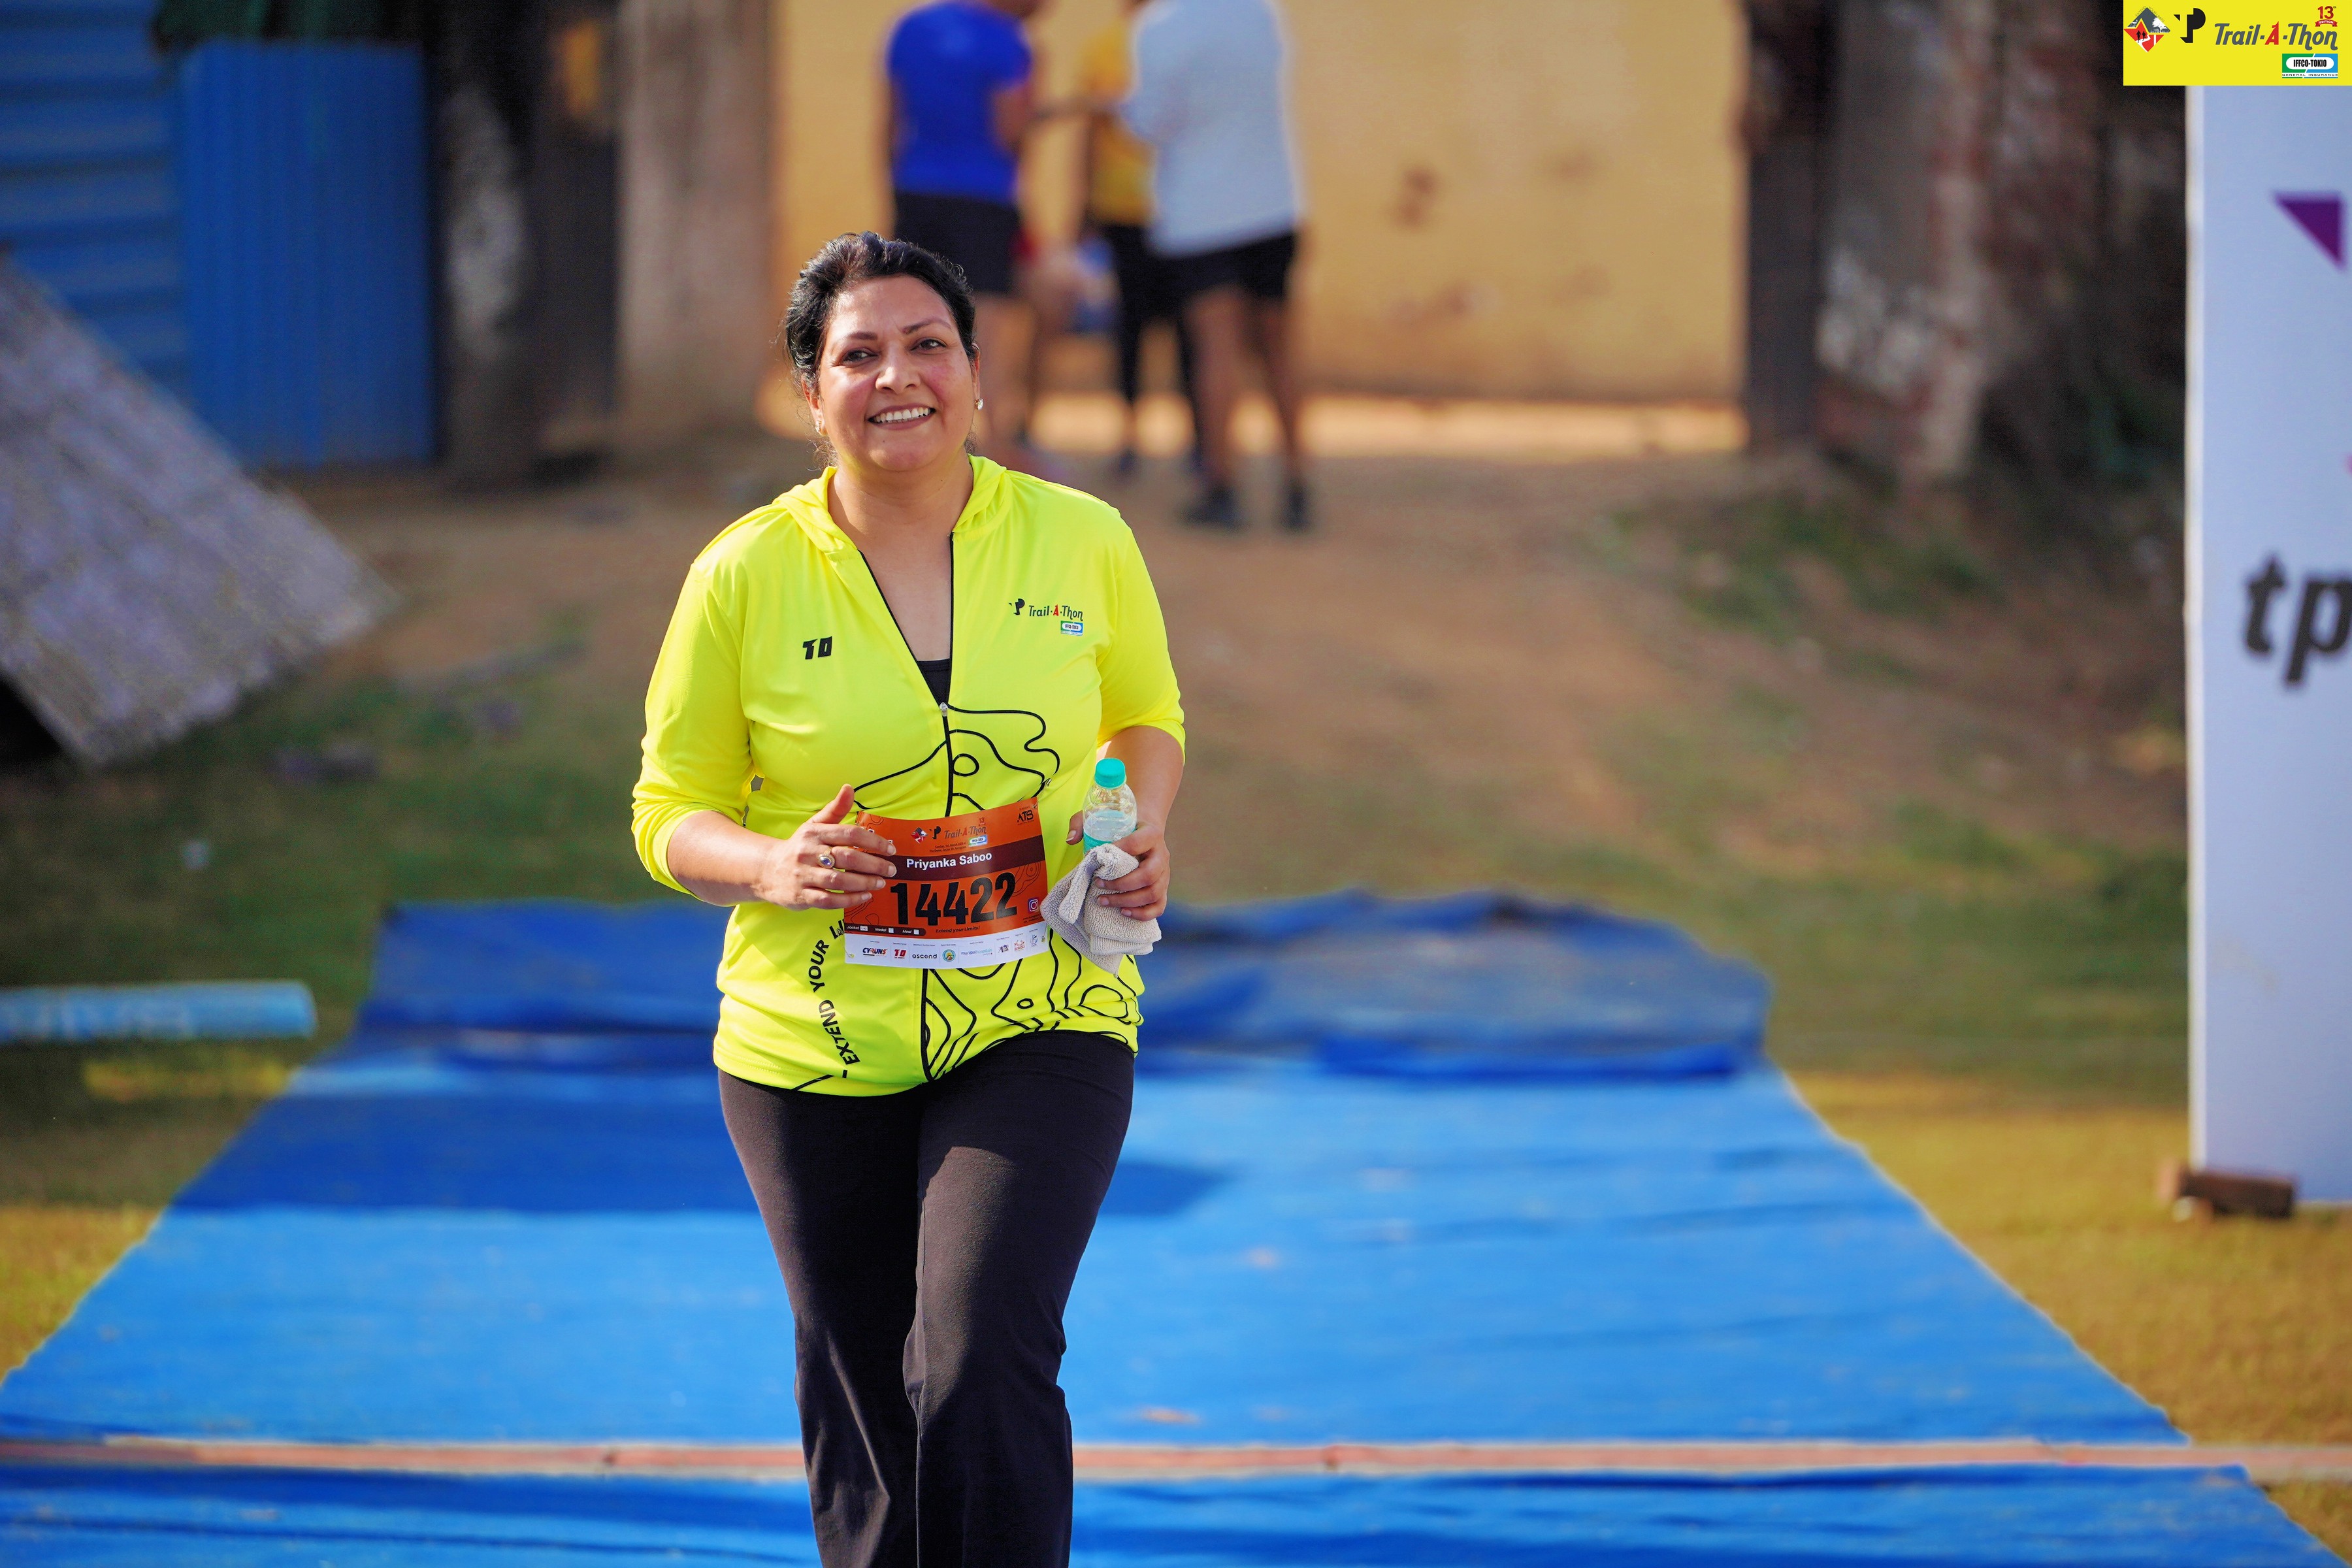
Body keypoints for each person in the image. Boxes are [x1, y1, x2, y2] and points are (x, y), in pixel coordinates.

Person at [632, 233, 1186, 1568]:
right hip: (813, 1044)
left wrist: (1140, 820)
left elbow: (1144, 716)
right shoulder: (740, 577)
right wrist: (770, 865)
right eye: (859, 355)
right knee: (866, 1393)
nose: (898, 377)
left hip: (1046, 1006)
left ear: (977, 373)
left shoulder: (1083, 538)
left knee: (981, 1347)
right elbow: (668, 814)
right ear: (811, 394)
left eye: (928, 345)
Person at [1124, 0, 1309, 531]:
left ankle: (1222, 486)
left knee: (1216, 351)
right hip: (1274, 206)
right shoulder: (1260, 12)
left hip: (1202, 216)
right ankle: (1298, 485)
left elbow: (1152, 122)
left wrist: (1119, 110)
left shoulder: (1159, 27)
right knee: (1279, 349)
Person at [884, 0, 1060, 468]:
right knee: (990, 330)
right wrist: (1039, 108)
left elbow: (890, 124)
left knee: (917, 327)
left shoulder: (909, 28)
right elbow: (1009, 130)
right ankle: (1000, 448)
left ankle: (921, 441)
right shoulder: (1007, 41)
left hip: (915, 193)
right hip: (984, 200)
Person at [1078, 0, 1198, 476]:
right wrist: (1085, 205)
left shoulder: (1113, 45)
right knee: (1150, 328)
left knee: (1167, 329)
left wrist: (1083, 205)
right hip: (1138, 210)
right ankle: (1147, 437)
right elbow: (1091, 134)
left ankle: (1187, 439)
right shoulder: (1113, 45)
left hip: (1170, 210)